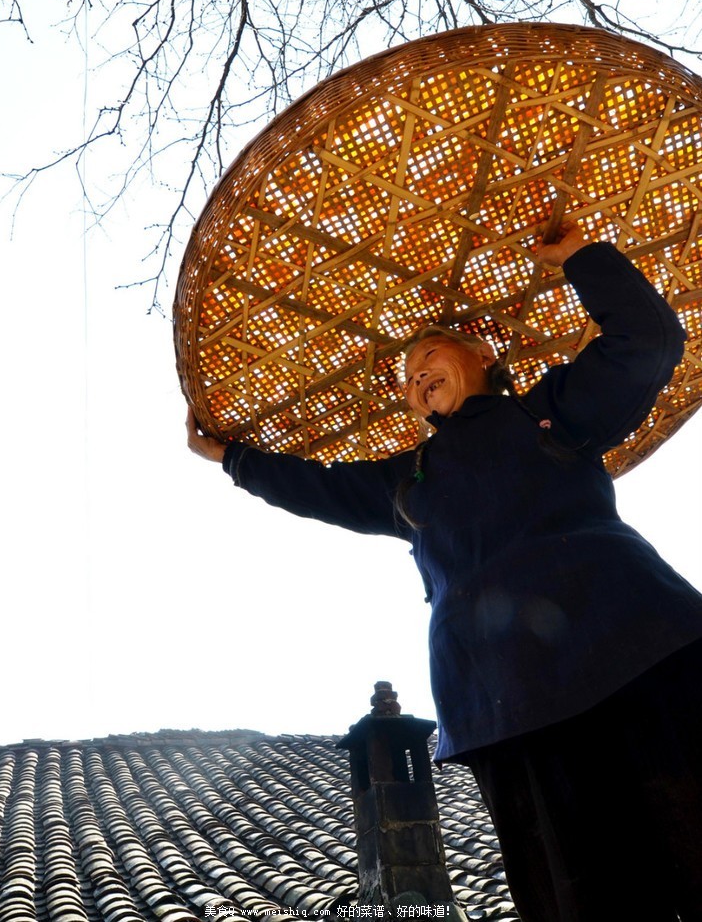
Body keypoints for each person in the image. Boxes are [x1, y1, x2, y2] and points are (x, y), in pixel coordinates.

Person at [186, 223, 702, 922]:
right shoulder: (407, 482)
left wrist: (581, 258)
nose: (416, 375)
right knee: (579, 898)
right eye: (407, 377)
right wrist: (233, 460)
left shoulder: (549, 412)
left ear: (483, 354)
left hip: (639, 652)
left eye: (429, 354)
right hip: (503, 706)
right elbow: (318, 488)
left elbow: (648, 341)